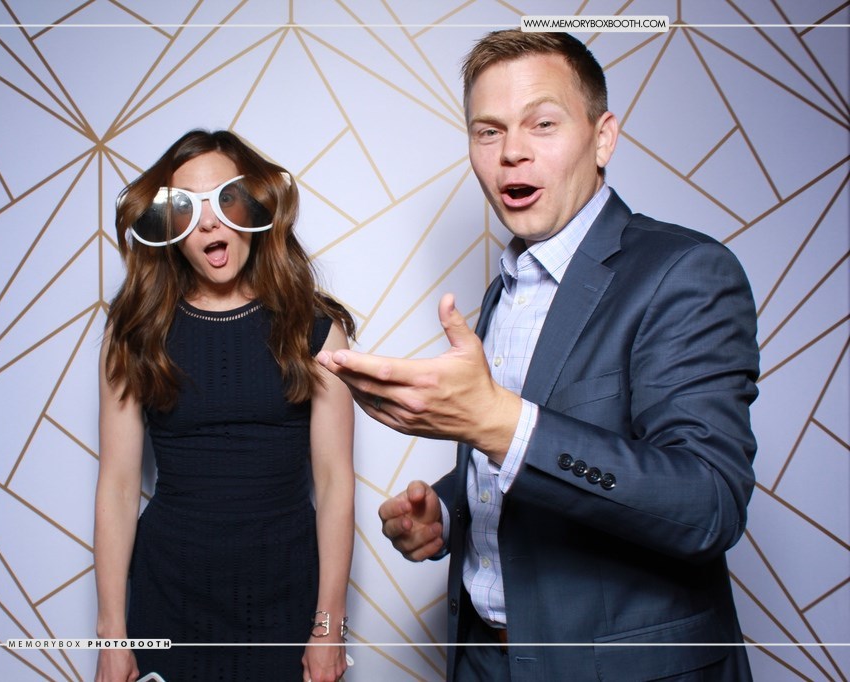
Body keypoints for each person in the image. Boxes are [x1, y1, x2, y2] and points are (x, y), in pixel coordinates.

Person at [316, 30, 759, 681]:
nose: (511, 152)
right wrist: (447, 511)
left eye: (542, 124)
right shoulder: (505, 289)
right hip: (484, 658)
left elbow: (708, 504)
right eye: (488, 131)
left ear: (603, 138)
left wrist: (497, 422)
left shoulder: (686, 272)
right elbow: (527, 457)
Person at [94, 129, 355, 682]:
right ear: (168, 227)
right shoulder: (136, 332)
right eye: (186, 208)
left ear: (256, 206)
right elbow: (117, 484)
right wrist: (112, 635)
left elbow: (335, 483)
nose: (209, 223)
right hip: (170, 594)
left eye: (226, 199)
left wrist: (329, 626)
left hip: (286, 594)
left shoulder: (314, 329)